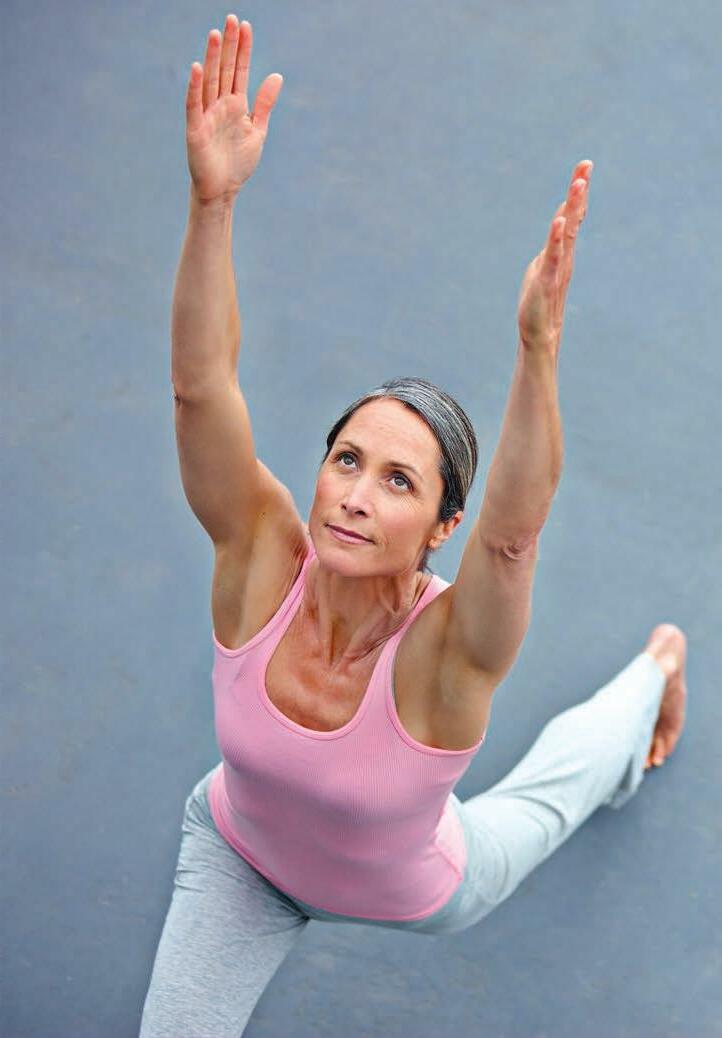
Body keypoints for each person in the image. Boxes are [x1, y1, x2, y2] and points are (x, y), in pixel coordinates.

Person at [140, 14, 688, 1036]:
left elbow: (512, 538)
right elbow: (199, 389)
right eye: (347, 460)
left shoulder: (446, 651)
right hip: (239, 861)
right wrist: (212, 204)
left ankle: (656, 671)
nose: (355, 494)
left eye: (399, 482)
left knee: (544, 802)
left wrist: (537, 350)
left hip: (419, 891)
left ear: (442, 527)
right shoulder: (259, 556)